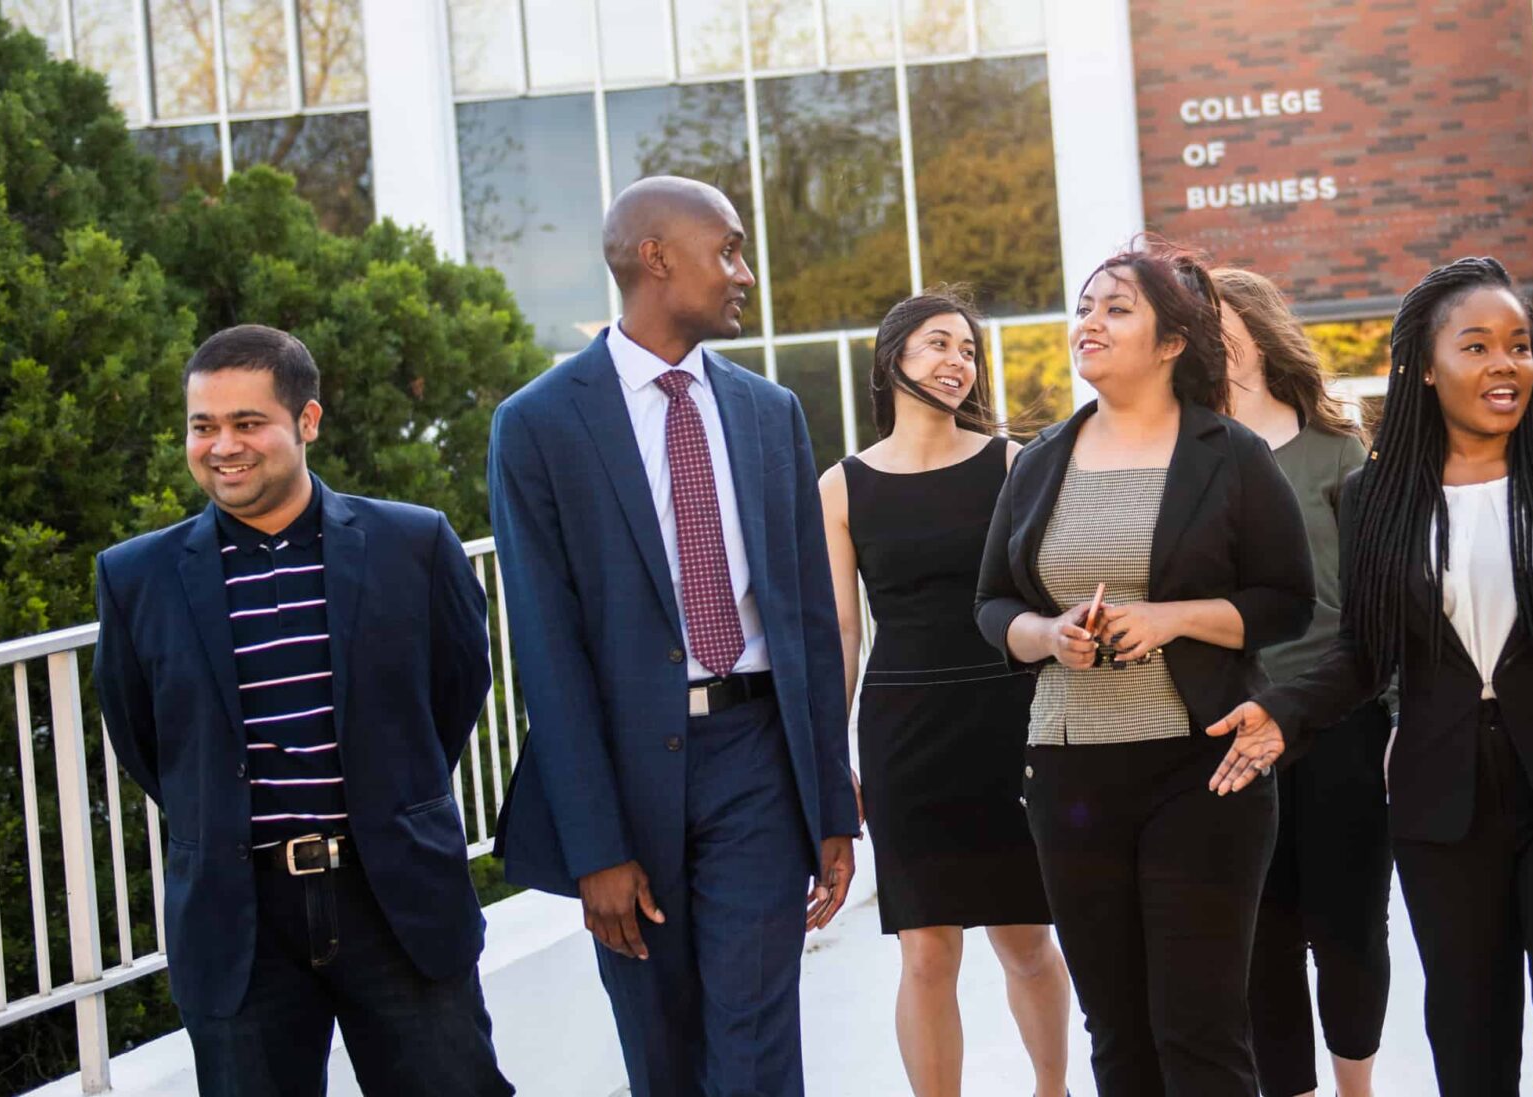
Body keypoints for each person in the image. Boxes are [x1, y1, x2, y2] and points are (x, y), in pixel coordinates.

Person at [1207, 258, 1533, 1095]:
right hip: (1442, 803)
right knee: (1470, 1040)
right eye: (1476, 345)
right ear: (1424, 365)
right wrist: (1284, 713)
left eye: (1520, 345)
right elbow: (1366, 653)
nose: (1503, 364)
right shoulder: (1375, 495)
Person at [487, 176, 858, 1096]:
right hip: (624, 774)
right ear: (655, 258)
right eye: (727, 250)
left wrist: (832, 802)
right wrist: (594, 845)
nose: (744, 274)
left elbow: (809, 615)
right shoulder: (536, 424)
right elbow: (547, 645)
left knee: (759, 1035)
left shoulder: (769, 412)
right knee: (662, 1046)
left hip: (756, 757)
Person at [92, 324, 511, 1096]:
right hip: (238, 920)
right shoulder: (135, 577)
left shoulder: (413, 545)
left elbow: (456, 690)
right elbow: (146, 739)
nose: (223, 446)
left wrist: (391, 801)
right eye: (203, 426)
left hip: (396, 899)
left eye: (247, 423)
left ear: (307, 421)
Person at [974, 239, 1315, 1095]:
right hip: (1069, 773)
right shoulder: (1041, 457)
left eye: (1116, 307)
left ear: (1171, 343)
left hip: (1201, 771)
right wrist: (1050, 635)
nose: (1090, 321)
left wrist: (1171, 618)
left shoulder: (1230, 454)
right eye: (1085, 306)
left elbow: (1286, 600)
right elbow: (991, 607)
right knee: (1118, 1033)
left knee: (1198, 1027)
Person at [819, 288, 1072, 1097]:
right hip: (903, 732)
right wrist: (831, 756)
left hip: (1009, 717)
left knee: (1026, 935)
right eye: (937, 344)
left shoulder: (1011, 464)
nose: (957, 360)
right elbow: (842, 637)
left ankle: (1052, 1089)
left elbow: (1044, 596)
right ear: (893, 359)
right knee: (926, 947)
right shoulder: (841, 487)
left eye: (967, 348)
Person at [1210, 267, 1390, 1097]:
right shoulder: (1191, 453)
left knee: (1350, 926)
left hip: (1338, 720)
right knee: (1259, 937)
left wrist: (1390, 722)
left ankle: (1359, 1087)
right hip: (1231, 731)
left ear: (1257, 329)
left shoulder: (1336, 447)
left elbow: (1376, 605)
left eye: (1220, 319)